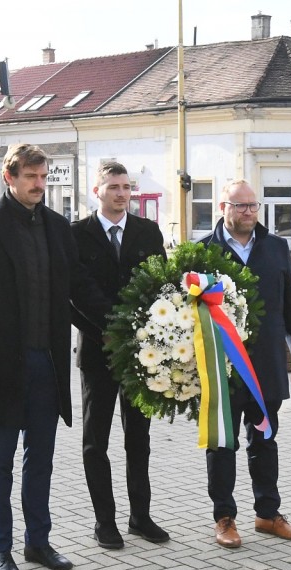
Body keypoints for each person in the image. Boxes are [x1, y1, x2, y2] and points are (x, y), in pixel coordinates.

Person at [0, 143, 111, 570]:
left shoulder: (57, 227)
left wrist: (119, 323)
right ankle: (0, 550)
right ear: (10, 177)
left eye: (43, 177)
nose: (39, 185)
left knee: (40, 460)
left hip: (48, 365)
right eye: (31, 178)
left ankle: (38, 542)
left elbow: (78, 287)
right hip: (3, 368)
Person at [200, 179, 291, 549]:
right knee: (222, 443)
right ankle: (224, 518)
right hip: (223, 368)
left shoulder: (276, 247)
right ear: (223, 208)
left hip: (266, 365)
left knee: (264, 439)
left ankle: (268, 514)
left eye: (253, 205)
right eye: (240, 205)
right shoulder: (202, 252)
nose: (249, 212)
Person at [70, 161, 169, 550]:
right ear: (97, 190)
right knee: (96, 440)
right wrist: (106, 331)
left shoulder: (147, 232)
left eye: (127, 187)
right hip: (98, 352)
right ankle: (105, 521)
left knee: (139, 438)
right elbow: (72, 295)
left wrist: (144, 333)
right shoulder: (77, 234)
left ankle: (140, 517)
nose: (122, 194)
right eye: (113, 187)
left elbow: (162, 288)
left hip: (141, 355)